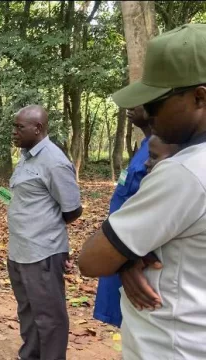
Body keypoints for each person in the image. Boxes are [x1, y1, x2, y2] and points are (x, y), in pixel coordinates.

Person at [78, 24, 206, 359]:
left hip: (171, 347)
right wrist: (129, 256)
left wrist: (121, 258)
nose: (147, 113)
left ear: (200, 96)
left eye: (157, 102)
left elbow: (91, 259)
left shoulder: (185, 172)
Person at [7, 105, 83, 360]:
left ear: (37, 128)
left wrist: (43, 229)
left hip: (42, 254)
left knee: (49, 318)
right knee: (27, 313)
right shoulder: (28, 156)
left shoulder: (54, 161)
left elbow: (72, 210)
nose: (14, 132)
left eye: (20, 127)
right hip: (19, 251)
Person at [93, 106, 152, 327]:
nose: (131, 107)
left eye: (140, 102)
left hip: (137, 258)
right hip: (120, 250)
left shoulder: (166, 150)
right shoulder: (146, 146)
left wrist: (128, 260)